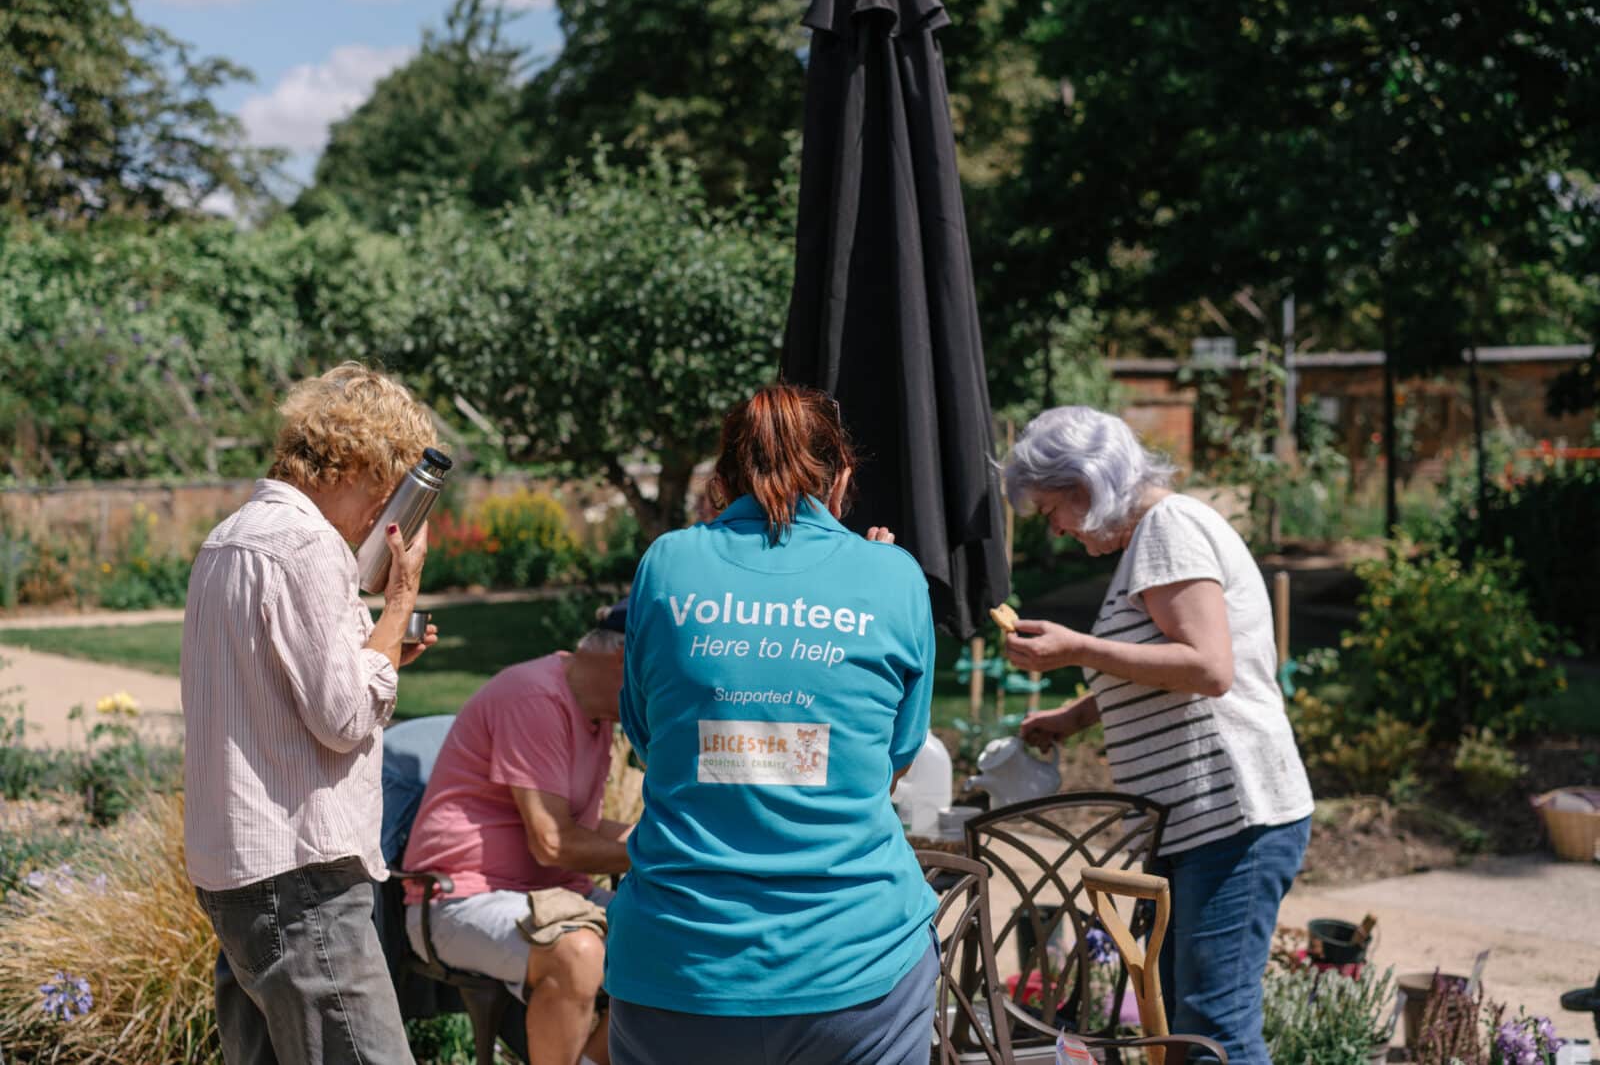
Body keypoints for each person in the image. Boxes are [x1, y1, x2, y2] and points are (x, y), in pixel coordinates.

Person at [605, 384, 940, 1065]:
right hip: (856, 963)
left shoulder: (667, 563)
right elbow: (894, 759)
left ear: (722, 481)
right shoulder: (894, 577)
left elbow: (649, 738)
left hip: (681, 963)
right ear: (842, 474)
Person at [999, 405, 1314, 1064]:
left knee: (1213, 1032)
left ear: (1086, 484)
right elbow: (1158, 665)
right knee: (1180, 1027)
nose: (1052, 528)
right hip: (1199, 824)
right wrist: (1076, 716)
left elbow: (1208, 667)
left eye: (1050, 508)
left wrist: (1077, 646)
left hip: (1232, 818)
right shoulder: (1149, 540)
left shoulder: (1169, 527)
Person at [182, 363, 439, 1065]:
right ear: (360, 461)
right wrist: (399, 601)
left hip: (240, 867)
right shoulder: (307, 547)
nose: (385, 511)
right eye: (389, 486)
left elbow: (282, 687)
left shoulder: (229, 538)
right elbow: (346, 715)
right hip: (303, 876)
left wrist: (378, 651)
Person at [400, 603, 633, 1065]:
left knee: (676, 938)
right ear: (625, 661)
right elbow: (551, 842)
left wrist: (664, 837)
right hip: (458, 899)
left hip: (546, 892)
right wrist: (667, 851)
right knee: (579, 953)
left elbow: (577, 829)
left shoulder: (597, 711)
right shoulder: (536, 698)